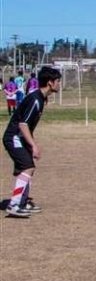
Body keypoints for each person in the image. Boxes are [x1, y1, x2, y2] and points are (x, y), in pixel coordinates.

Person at [3, 67, 61, 218]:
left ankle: (23, 201)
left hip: (20, 137)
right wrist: (33, 145)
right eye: (58, 81)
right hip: (14, 137)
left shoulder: (41, 98)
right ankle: (14, 204)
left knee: (28, 168)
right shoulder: (35, 99)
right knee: (28, 167)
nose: (59, 84)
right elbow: (23, 124)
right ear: (50, 83)